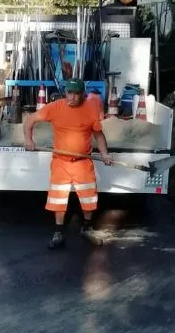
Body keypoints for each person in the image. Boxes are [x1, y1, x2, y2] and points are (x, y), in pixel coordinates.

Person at [24, 78, 113, 249]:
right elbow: (30, 120)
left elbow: (99, 135)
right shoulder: (55, 107)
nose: (71, 97)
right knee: (58, 198)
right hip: (61, 162)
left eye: (76, 93)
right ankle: (58, 232)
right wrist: (29, 140)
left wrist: (104, 154)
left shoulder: (91, 109)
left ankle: (87, 228)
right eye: (69, 93)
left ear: (83, 94)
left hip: (82, 162)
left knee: (89, 197)